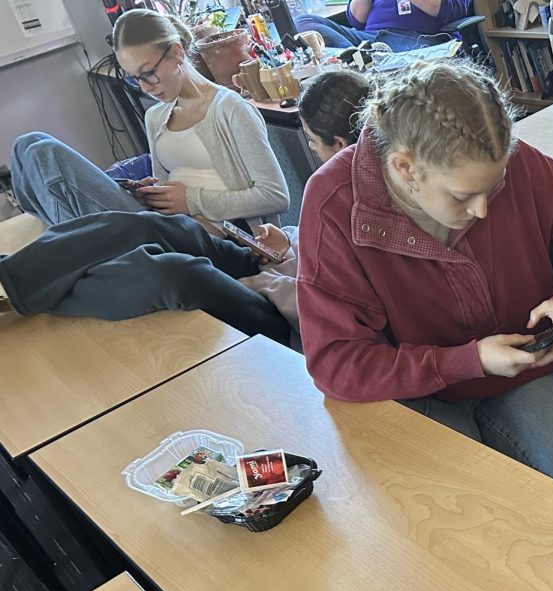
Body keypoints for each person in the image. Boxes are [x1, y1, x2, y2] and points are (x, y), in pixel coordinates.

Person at [297, 60, 553, 513]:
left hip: (518, 374)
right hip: (409, 389)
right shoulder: (332, 203)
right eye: (462, 196)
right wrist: (468, 360)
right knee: (470, 518)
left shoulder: (498, 158)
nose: (482, 210)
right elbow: (336, 363)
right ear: (405, 168)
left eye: (493, 187)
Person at [0, 70, 370, 345]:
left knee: (174, 273)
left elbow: (341, 299)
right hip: (270, 268)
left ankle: (24, 288)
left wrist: (275, 272)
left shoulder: (356, 202)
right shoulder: (343, 189)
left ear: (339, 143)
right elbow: (312, 249)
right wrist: (287, 245)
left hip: (291, 315)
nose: (310, 151)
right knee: (150, 228)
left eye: (311, 142)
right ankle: (11, 282)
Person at [9, 9, 288, 228]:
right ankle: (75, 241)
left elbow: (276, 196)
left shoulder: (230, 109)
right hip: (168, 223)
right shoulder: (156, 116)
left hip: (215, 237)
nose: (145, 87)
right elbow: (163, 184)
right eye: (135, 78)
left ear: (177, 52)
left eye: (148, 73)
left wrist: (192, 201)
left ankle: (73, 243)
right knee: (28, 144)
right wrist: (147, 193)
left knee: (45, 153)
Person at [293, 0, 471, 53]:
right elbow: (356, 19)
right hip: (369, 38)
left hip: (417, 40)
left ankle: (362, 61)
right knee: (304, 23)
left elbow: (452, 9)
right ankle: (361, 58)